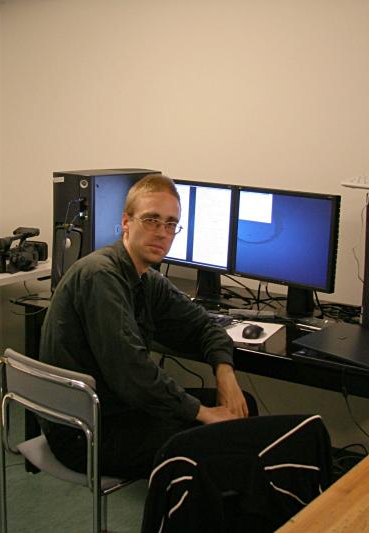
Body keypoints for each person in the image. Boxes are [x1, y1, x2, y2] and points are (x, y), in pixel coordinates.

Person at [39, 173, 256, 479]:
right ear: (126, 222)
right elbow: (132, 373)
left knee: (244, 407)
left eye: (170, 224)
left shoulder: (146, 279)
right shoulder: (101, 275)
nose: (162, 233)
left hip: (119, 408)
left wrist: (225, 374)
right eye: (152, 220)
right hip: (85, 430)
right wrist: (203, 413)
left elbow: (204, 326)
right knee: (221, 439)